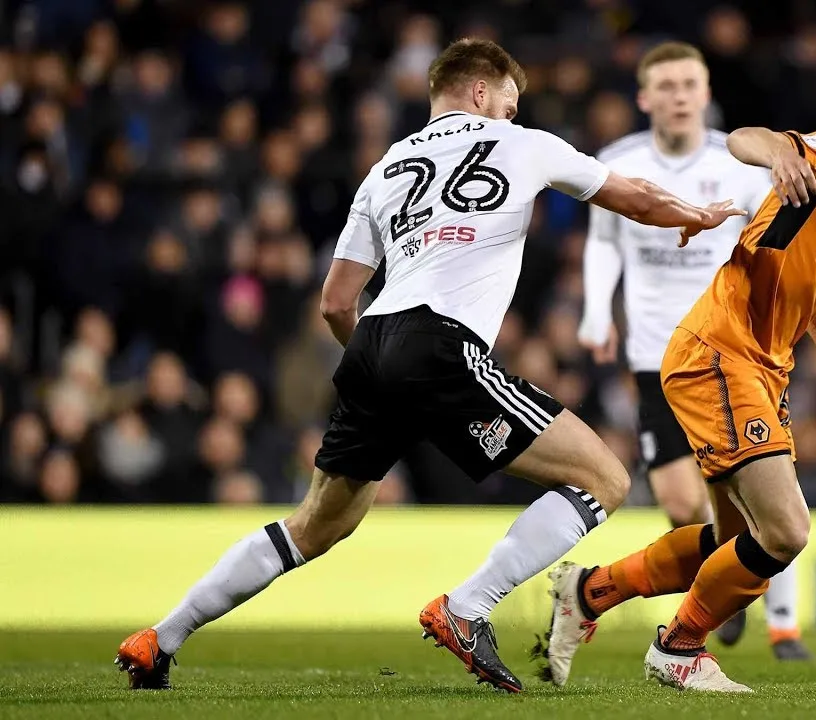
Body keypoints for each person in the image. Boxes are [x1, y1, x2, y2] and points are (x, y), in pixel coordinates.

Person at [114, 38, 745, 694]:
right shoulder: (523, 142)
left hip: (373, 342)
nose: (511, 111)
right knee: (604, 479)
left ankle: (162, 635)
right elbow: (634, 197)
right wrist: (696, 215)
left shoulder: (386, 166)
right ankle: (467, 608)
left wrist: (384, 369)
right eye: (509, 100)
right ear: (481, 91)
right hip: (442, 343)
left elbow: (335, 302)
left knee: (313, 526)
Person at [543, 61, 816, 692]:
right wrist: (780, 151)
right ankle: (679, 648)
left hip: (757, 364)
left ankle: (589, 591)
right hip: (721, 350)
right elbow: (741, 138)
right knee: (785, 531)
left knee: (733, 542)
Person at [561, 41, 811, 676]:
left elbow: (779, 253)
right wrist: (596, 315)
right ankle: (705, 604)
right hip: (656, 356)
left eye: (689, 85)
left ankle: (768, 621)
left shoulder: (744, 168)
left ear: (705, 93)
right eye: (665, 86)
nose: (678, 96)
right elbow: (604, 243)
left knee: (755, 509)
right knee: (683, 502)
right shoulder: (617, 162)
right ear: (645, 98)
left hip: (734, 353)